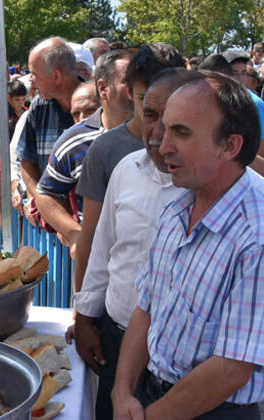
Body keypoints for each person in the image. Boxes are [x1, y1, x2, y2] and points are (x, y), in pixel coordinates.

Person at [113, 71, 264, 420]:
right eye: (164, 128)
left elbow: (231, 370)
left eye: (181, 132)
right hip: (152, 396)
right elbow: (146, 306)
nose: (162, 145)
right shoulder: (177, 208)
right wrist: (122, 392)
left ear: (231, 145)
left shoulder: (256, 236)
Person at [74, 68, 203, 420]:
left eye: (175, 122)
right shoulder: (126, 169)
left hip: (187, 369)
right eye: (150, 114)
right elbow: (103, 250)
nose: (158, 131)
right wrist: (85, 318)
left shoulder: (218, 191)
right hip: (116, 344)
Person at [72, 43, 184, 310]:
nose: (160, 129)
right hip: (117, 316)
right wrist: (83, 311)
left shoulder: (201, 154)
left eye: (170, 104)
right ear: (131, 93)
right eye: (146, 102)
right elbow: (91, 239)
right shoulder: (107, 150)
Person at [36, 50, 134, 253]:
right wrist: (75, 235)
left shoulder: (158, 136)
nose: (139, 89)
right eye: (129, 81)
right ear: (103, 88)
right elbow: (45, 193)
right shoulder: (74, 140)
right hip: (96, 265)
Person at [16, 36, 79, 228]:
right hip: (51, 234)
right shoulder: (38, 107)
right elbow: (26, 161)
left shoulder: (98, 105)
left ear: (56, 76)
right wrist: (43, 203)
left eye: (34, 73)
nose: (30, 80)